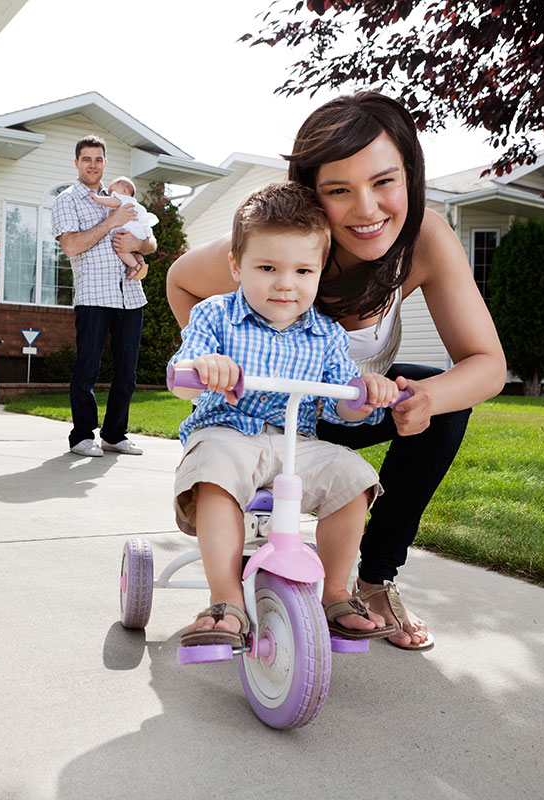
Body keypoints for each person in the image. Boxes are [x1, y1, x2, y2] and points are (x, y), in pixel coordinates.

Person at [166, 92, 507, 651]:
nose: (368, 210)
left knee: (439, 401)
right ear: (310, 193)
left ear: (411, 176)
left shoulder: (425, 240)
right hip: (254, 407)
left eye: (384, 182)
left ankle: (369, 584)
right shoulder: (278, 242)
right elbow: (181, 279)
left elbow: (487, 364)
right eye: (339, 190)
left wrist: (422, 397)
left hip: (339, 399)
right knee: (224, 459)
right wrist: (217, 363)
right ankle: (225, 598)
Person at [170, 181, 402, 648]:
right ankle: (226, 600)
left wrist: (367, 392)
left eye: (302, 270)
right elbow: (181, 373)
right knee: (214, 472)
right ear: (237, 266)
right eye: (268, 267)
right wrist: (205, 367)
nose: (285, 283)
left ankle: (336, 592)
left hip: (298, 443)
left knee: (354, 476)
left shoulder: (327, 334)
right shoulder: (215, 315)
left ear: (318, 272)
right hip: (227, 432)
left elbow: (345, 404)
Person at [53, 135, 157, 458]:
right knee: (87, 368)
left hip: (130, 295)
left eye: (98, 159)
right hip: (93, 295)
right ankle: (82, 436)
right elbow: (70, 245)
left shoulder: (122, 197)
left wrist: (136, 247)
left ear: (104, 163)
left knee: (127, 371)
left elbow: (151, 241)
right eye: (87, 159)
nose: (93, 165)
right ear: (77, 163)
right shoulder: (67, 199)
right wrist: (111, 222)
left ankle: (114, 434)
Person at [88, 176, 158, 278]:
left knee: (120, 249)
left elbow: (112, 202)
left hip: (128, 231)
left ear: (124, 190)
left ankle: (135, 266)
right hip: (140, 232)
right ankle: (140, 262)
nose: (110, 195)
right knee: (134, 253)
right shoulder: (135, 203)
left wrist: (98, 199)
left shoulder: (122, 199)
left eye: (112, 192)